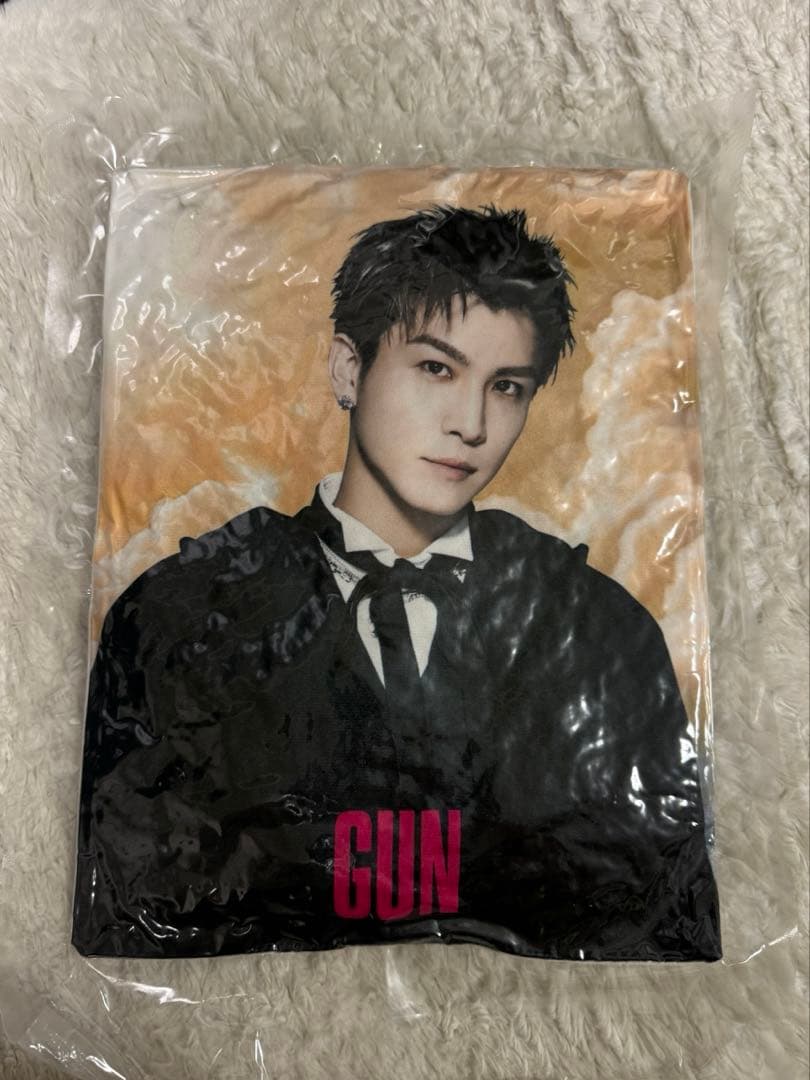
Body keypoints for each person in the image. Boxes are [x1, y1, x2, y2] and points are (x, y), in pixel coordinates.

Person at [72, 205, 721, 961]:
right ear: (350, 369)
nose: (471, 424)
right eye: (436, 368)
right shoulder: (177, 614)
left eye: (507, 386)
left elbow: (662, 930)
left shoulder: (597, 629)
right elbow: (127, 906)